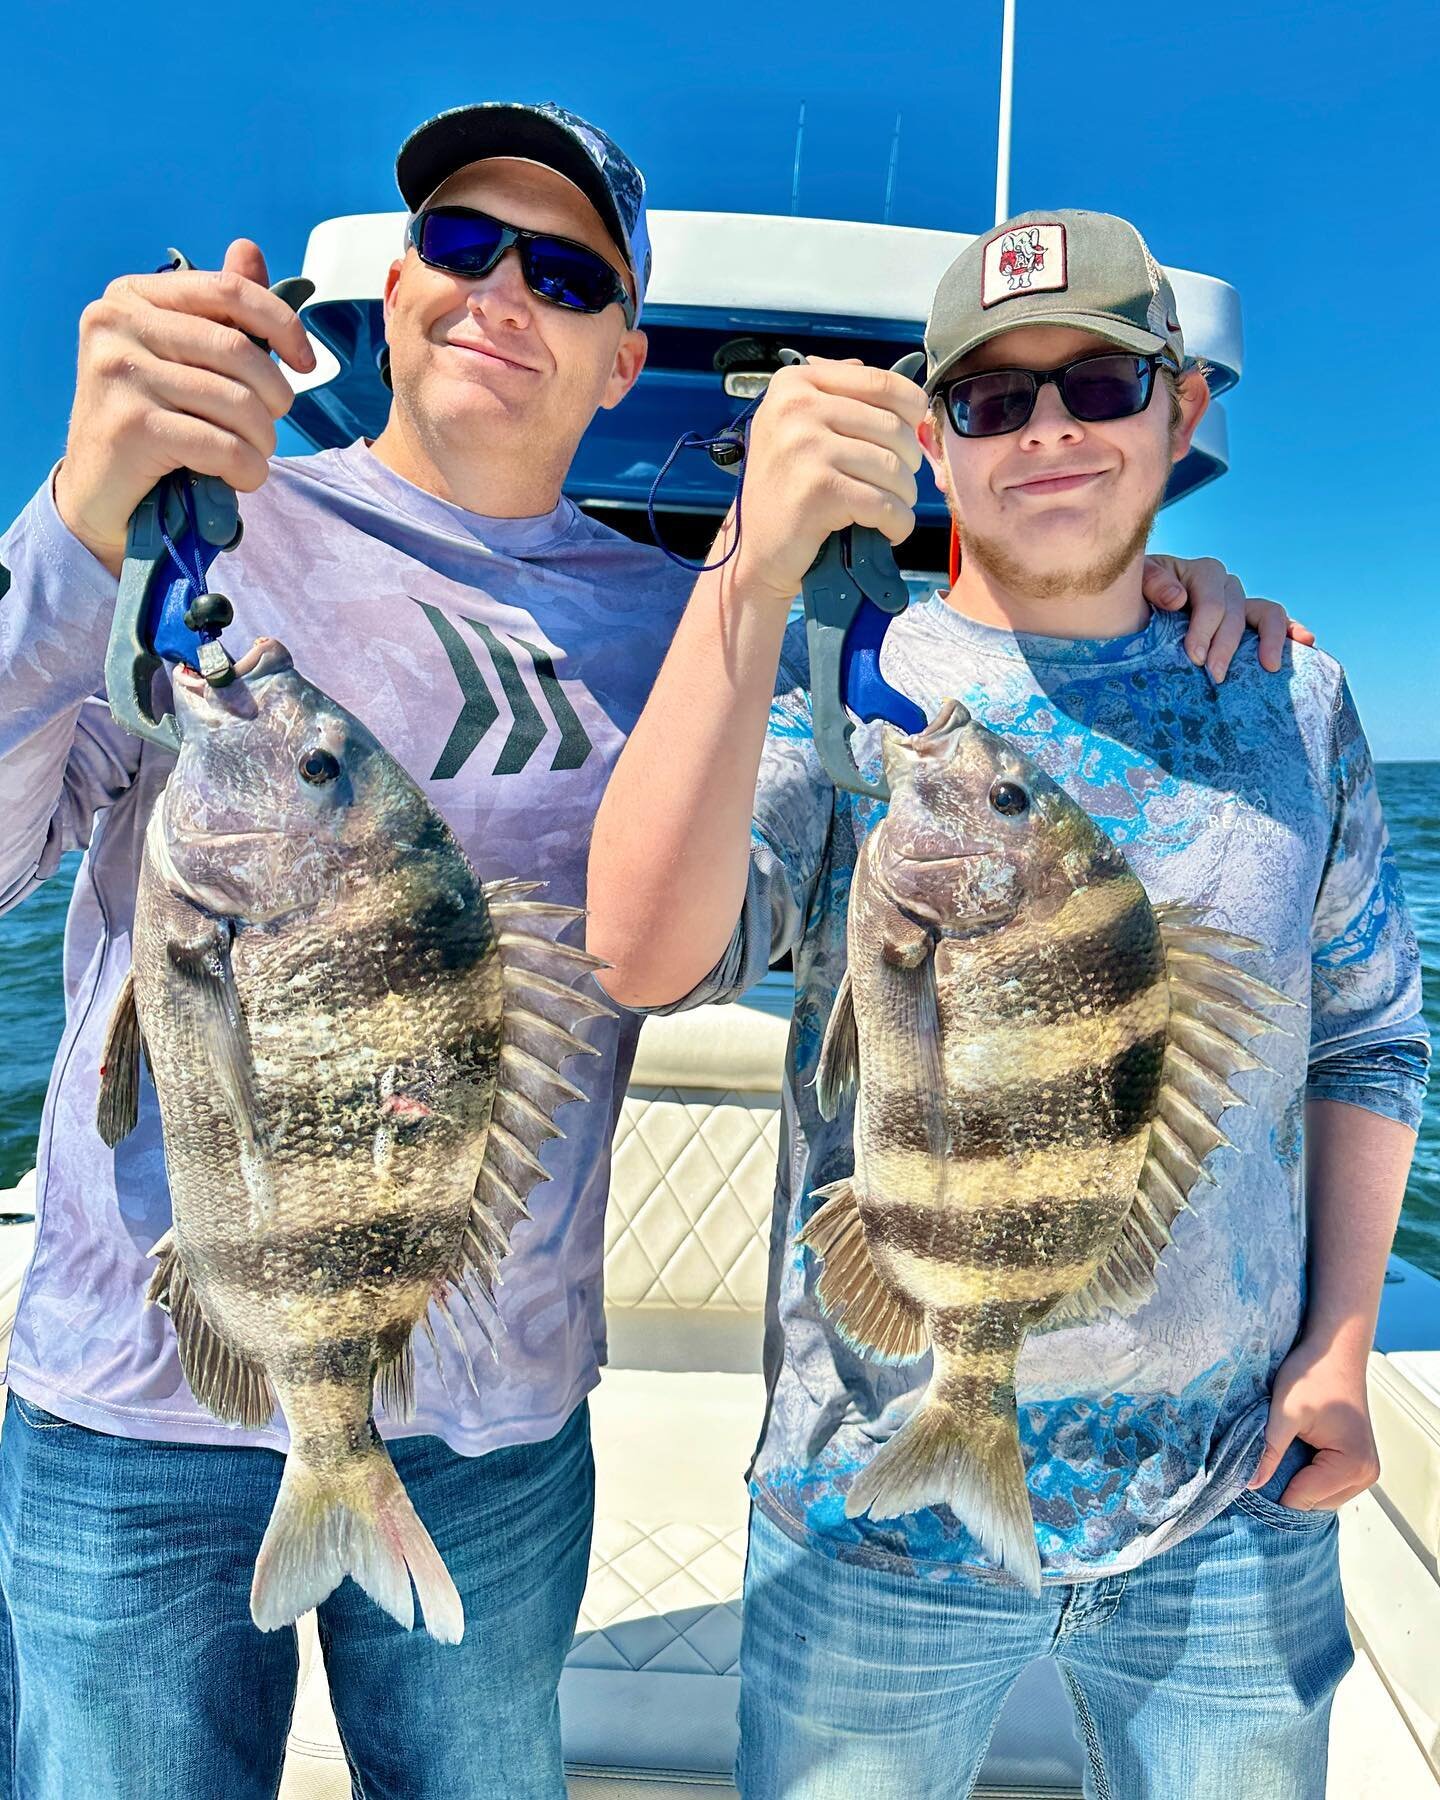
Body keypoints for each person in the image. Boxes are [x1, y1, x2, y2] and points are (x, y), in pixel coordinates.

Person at [0, 113, 1290, 1791]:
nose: (500, 292)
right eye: (462, 246)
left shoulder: (694, 635)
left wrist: (1168, 610)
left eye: (567, 272)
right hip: (135, 1401)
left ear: (623, 360)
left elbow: (715, 893)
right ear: (393, 289)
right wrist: (71, 518)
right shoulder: (195, 540)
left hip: (499, 1424)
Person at [586, 208, 1430, 1799]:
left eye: (1100, 385)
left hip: (1231, 1511)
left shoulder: (1289, 693)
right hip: (871, 1515)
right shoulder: (849, 692)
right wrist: (747, 570)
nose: (1048, 428)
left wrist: (1342, 1344)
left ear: (1182, 417)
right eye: (992, 399)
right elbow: (642, 957)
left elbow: (1372, 1036)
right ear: (936, 441)